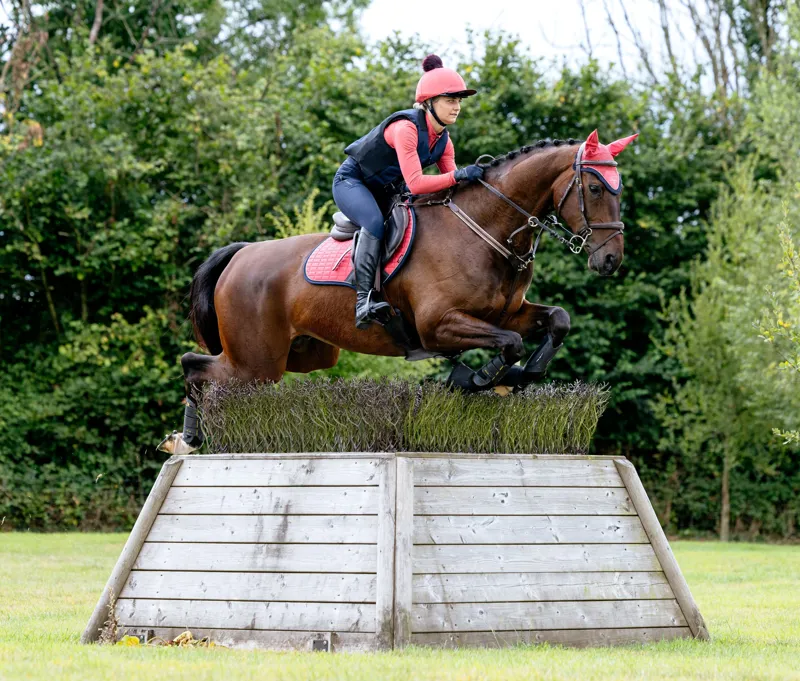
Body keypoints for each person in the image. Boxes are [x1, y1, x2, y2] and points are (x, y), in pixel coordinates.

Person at [333, 54, 486, 329]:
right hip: (352, 182)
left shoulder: (444, 142)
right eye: (450, 100)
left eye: (459, 101)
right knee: (374, 222)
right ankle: (363, 301)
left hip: (388, 190)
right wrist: (458, 174)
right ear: (429, 102)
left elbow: (453, 184)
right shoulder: (406, 129)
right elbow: (417, 183)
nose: (457, 107)